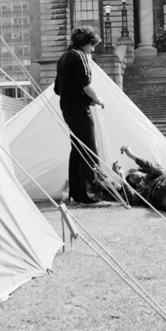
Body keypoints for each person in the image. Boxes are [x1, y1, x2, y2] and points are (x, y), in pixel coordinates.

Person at [54, 26, 108, 205]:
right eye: (92, 45)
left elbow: (57, 89)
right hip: (80, 109)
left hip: (67, 109)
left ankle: (77, 193)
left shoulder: (63, 57)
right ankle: (90, 195)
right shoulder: (80, 56)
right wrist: (98, 99)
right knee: (89, 150)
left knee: (77, 149)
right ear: (85, 43)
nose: (93, 49)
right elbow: (86, 85)